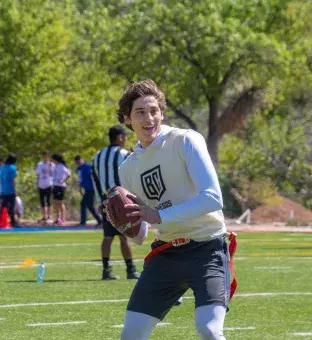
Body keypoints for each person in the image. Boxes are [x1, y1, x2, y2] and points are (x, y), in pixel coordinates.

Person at [114, 80, 229, 340]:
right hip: (166, 254)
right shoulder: (128, 168)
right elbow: (141, 235)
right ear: (127, 119)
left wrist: (161, 215)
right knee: (131, 334)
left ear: (162, 113)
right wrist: (121, 221)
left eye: (153, 110)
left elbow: (213, 198)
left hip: (207, 248)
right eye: (139, 112)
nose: (148, 118)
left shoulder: (185, 140)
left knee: (209, 329)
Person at [92, 125, 140, 280]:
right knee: (125, 236)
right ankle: (131, 270)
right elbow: (133, 176)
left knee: (107, 237)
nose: (125, 139)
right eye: (124, 136)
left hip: (106, 202)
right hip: (123, 202)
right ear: (120, 137)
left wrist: (100, 201)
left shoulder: (97, 156)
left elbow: (95, 180)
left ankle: (106, 270)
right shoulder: (125, 154)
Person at [74, 155, 102, 227]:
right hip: (86, 189)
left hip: (91, 189)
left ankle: (84, 222)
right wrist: (80, 189)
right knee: (89, 206)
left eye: (79, 161)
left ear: (82, 160)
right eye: (77, 162)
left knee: (84, 204)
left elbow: (93, 176)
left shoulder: (87, 167)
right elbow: (80, 180)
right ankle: (99, 220)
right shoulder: (79, 169)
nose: (78, 163)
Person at [51, 154, 71, 225]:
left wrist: (63, 180)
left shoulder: (61, 166)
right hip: (55, 185)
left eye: (52, 159)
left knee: (60, 202)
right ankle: (58, 218)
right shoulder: (55, 166)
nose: (51, 160)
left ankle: (63, 219)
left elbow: (68, 174)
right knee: (55, 202)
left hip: (60, 186)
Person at [0, 154, 19, 227]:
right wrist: (15, 191)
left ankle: (2, 221)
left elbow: (1, 180)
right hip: (10, 190)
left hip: (4, 190)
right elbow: (13, 180)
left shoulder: (2, 167)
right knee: (11, 207)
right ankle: (13, 222)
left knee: (3, 206)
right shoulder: (12, 168)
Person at [36, 151, 54, 223]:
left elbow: (53, 174)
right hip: (41, 185)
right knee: (42, 201)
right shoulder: (40, 164)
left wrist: (49, 167)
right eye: (44, 156)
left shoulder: (51, 164)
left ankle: (49, 216)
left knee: (49, 201)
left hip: (49, 184)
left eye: (46, 156)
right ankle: (44, 216)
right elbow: (38, 173)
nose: (45, 157)